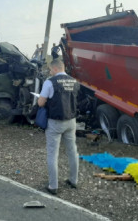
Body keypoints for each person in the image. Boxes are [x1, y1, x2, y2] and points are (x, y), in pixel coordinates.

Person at [37, 59, 80, 195]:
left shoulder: (50, 82)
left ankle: (53, 186)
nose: (50, 72)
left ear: (55, 68)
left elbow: (41, 103)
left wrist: (41, 99)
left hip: (55, 122)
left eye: (50, 69)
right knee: (72, 151)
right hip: (71, 121)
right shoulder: (74, 81)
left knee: (52, 154)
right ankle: (73, 181)